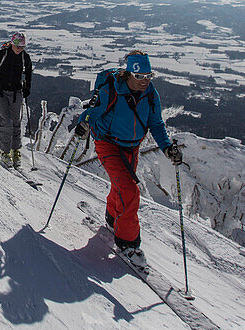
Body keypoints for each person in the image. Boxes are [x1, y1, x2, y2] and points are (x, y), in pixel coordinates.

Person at [74, 50, 182, 267]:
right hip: (108, 143)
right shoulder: (112, 89)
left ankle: (113, 218)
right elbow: (93, 111)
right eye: (140, 76)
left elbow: (156, 124)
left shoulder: (151, 95)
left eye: (148, 76)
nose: (145, 81)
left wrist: (167, 148)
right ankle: (128, 243)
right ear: (129, 74)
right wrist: (84, 123)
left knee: (121, 185)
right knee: (130, 189)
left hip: (132, 147)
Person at [0, 32, 33, 168]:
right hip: (0, 90)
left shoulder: (25, 57)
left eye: (22, 47)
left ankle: (15, 150)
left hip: (16, 92)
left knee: (16, 121)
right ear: (12, 43)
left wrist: (27, 87)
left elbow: (29, 73)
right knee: (6, 121)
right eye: (17, 46)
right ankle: (5, 151)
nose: (19, 49)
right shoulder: (3, 54)